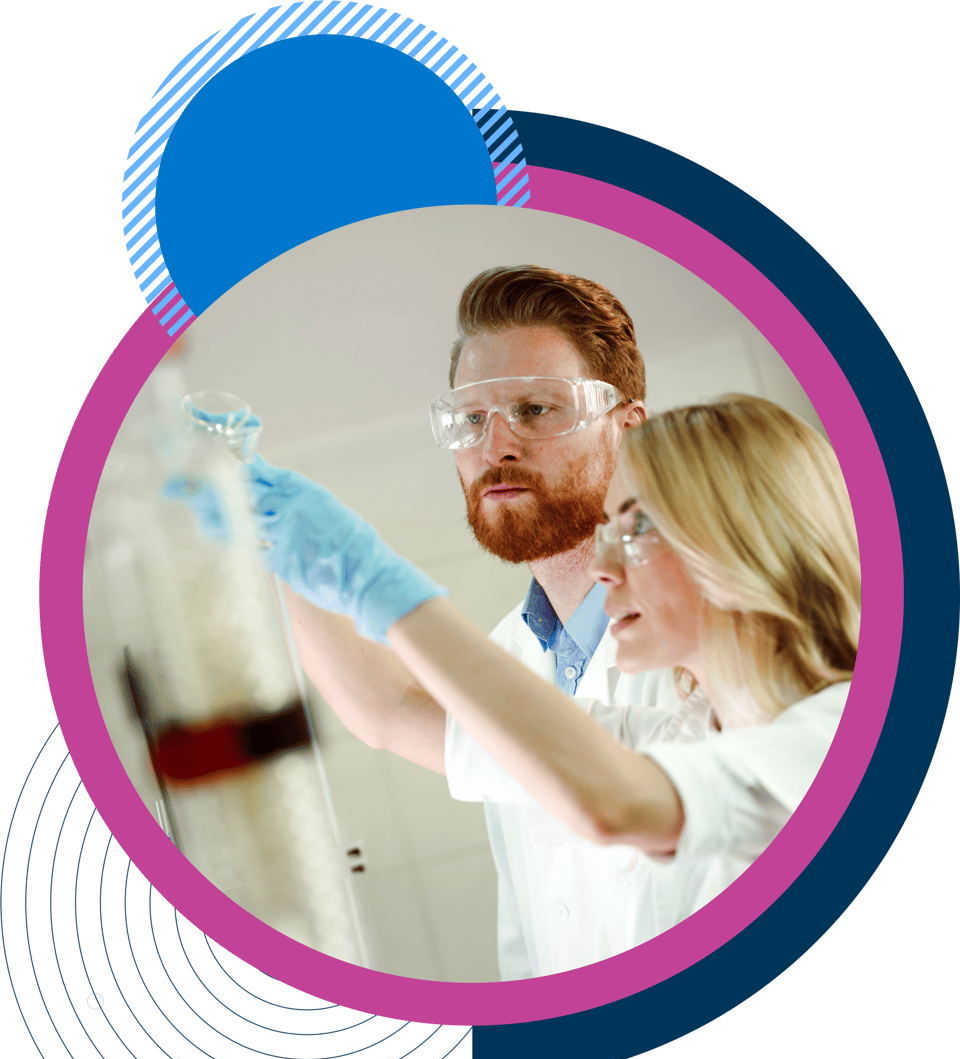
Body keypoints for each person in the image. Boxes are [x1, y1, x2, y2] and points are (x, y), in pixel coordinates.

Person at [241, 392, 858, 978]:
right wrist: (270, 545)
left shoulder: (842, 737)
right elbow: (396, 710)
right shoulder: (688, 732)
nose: (603, 568)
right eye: (609, 530)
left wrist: (377, 584)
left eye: (638, 528)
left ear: (745, 539)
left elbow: (614, 804)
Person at [276, 266, 680, 978]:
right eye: (470, 420)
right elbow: (389, 710)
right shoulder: (508, 654)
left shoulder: (709, 629)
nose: (495, 446)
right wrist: (279, 547)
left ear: (629, 428)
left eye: (535, 408)